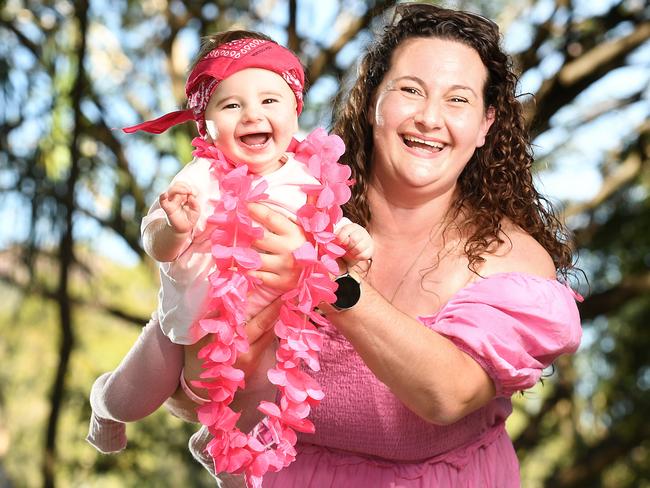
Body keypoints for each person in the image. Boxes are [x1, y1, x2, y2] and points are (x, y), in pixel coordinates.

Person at [170, 4, 583, 487]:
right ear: (373, 103)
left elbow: (446, 395)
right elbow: (186, 395)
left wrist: (325, 278)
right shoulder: (285, 207)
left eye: (458, 100)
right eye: (410, 90)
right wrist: (214, 373)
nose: (429, 117)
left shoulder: (511, 259)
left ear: (486, 124)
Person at [85, 28, 374, 471]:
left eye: (269, 100)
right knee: (133, 400)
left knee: (257, 423)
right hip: (182, 331)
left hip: (268, 333)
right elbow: (155, 242)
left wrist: (354, 240)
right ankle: (103, 404)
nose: (251, 114)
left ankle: (215, 449)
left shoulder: (310, 179)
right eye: (232, 104)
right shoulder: (203, 176)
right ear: (206, 124)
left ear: (295, 111)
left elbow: (330, 233)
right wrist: (174, 229)